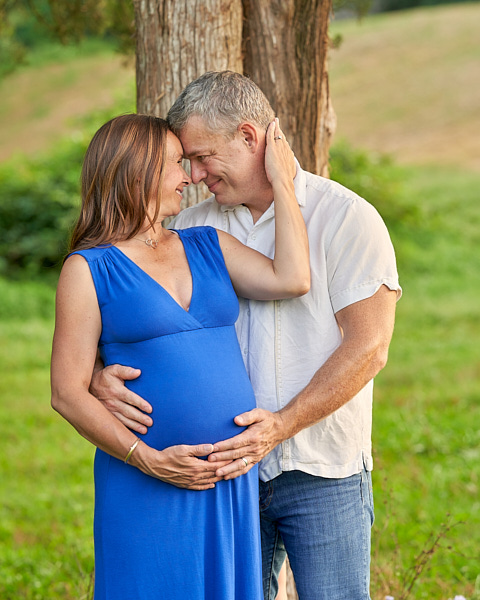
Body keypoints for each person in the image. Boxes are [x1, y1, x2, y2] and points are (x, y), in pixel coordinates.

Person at [91, 72, 402, 600]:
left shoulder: (346, 217)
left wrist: (280, 426)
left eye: (203, 156)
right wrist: (98, 375)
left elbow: (368, 349)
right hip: (220, 476)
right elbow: (137, 312)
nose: (193, 175)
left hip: (318, 468)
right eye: (185, 162)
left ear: (249, 136)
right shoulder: (190, 225)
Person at [50, 113, 311, 600]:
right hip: (145, 478)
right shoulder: (88, 269)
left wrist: (282, 181)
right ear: (138, 170)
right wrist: (149, 460)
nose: (189, 177)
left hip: (227, 481)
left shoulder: (207, 244)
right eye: (176, 163)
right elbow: (66, 392)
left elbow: (292, 279)